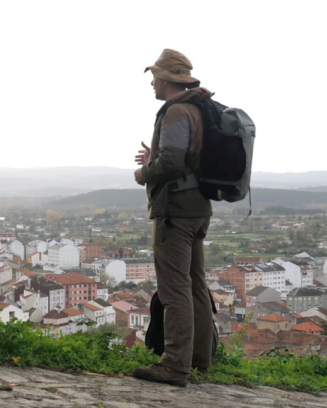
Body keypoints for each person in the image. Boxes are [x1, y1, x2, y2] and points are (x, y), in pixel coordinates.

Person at [132, 49, 213, 387]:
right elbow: (188, 159)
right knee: (195, 285)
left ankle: (174, 365)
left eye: (154, 76)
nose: (152, 82)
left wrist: (144, 172)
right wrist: (160, 157)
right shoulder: (200, 108)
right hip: (198, 208)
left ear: (165, 78)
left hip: (175, 213)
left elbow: (172, 164)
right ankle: (198, 359)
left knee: (174, 289)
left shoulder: (177, 110)